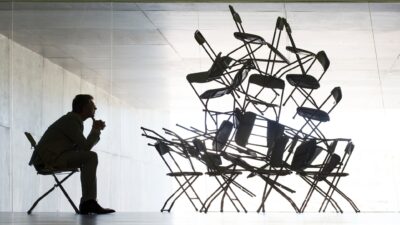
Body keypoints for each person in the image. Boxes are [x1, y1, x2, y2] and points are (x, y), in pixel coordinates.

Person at [33, 94, 115, 214]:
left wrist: (95, 131)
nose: (96, 108)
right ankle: (89, 202)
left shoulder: (73, 120)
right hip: (49, 160)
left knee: (88, 157)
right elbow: (86, 147)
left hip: (52, 157)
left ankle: (88, 201)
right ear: (84, 108)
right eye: (93, 105)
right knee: (91, 157)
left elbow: (82, 147)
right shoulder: (71, 121)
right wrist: (96, 130)